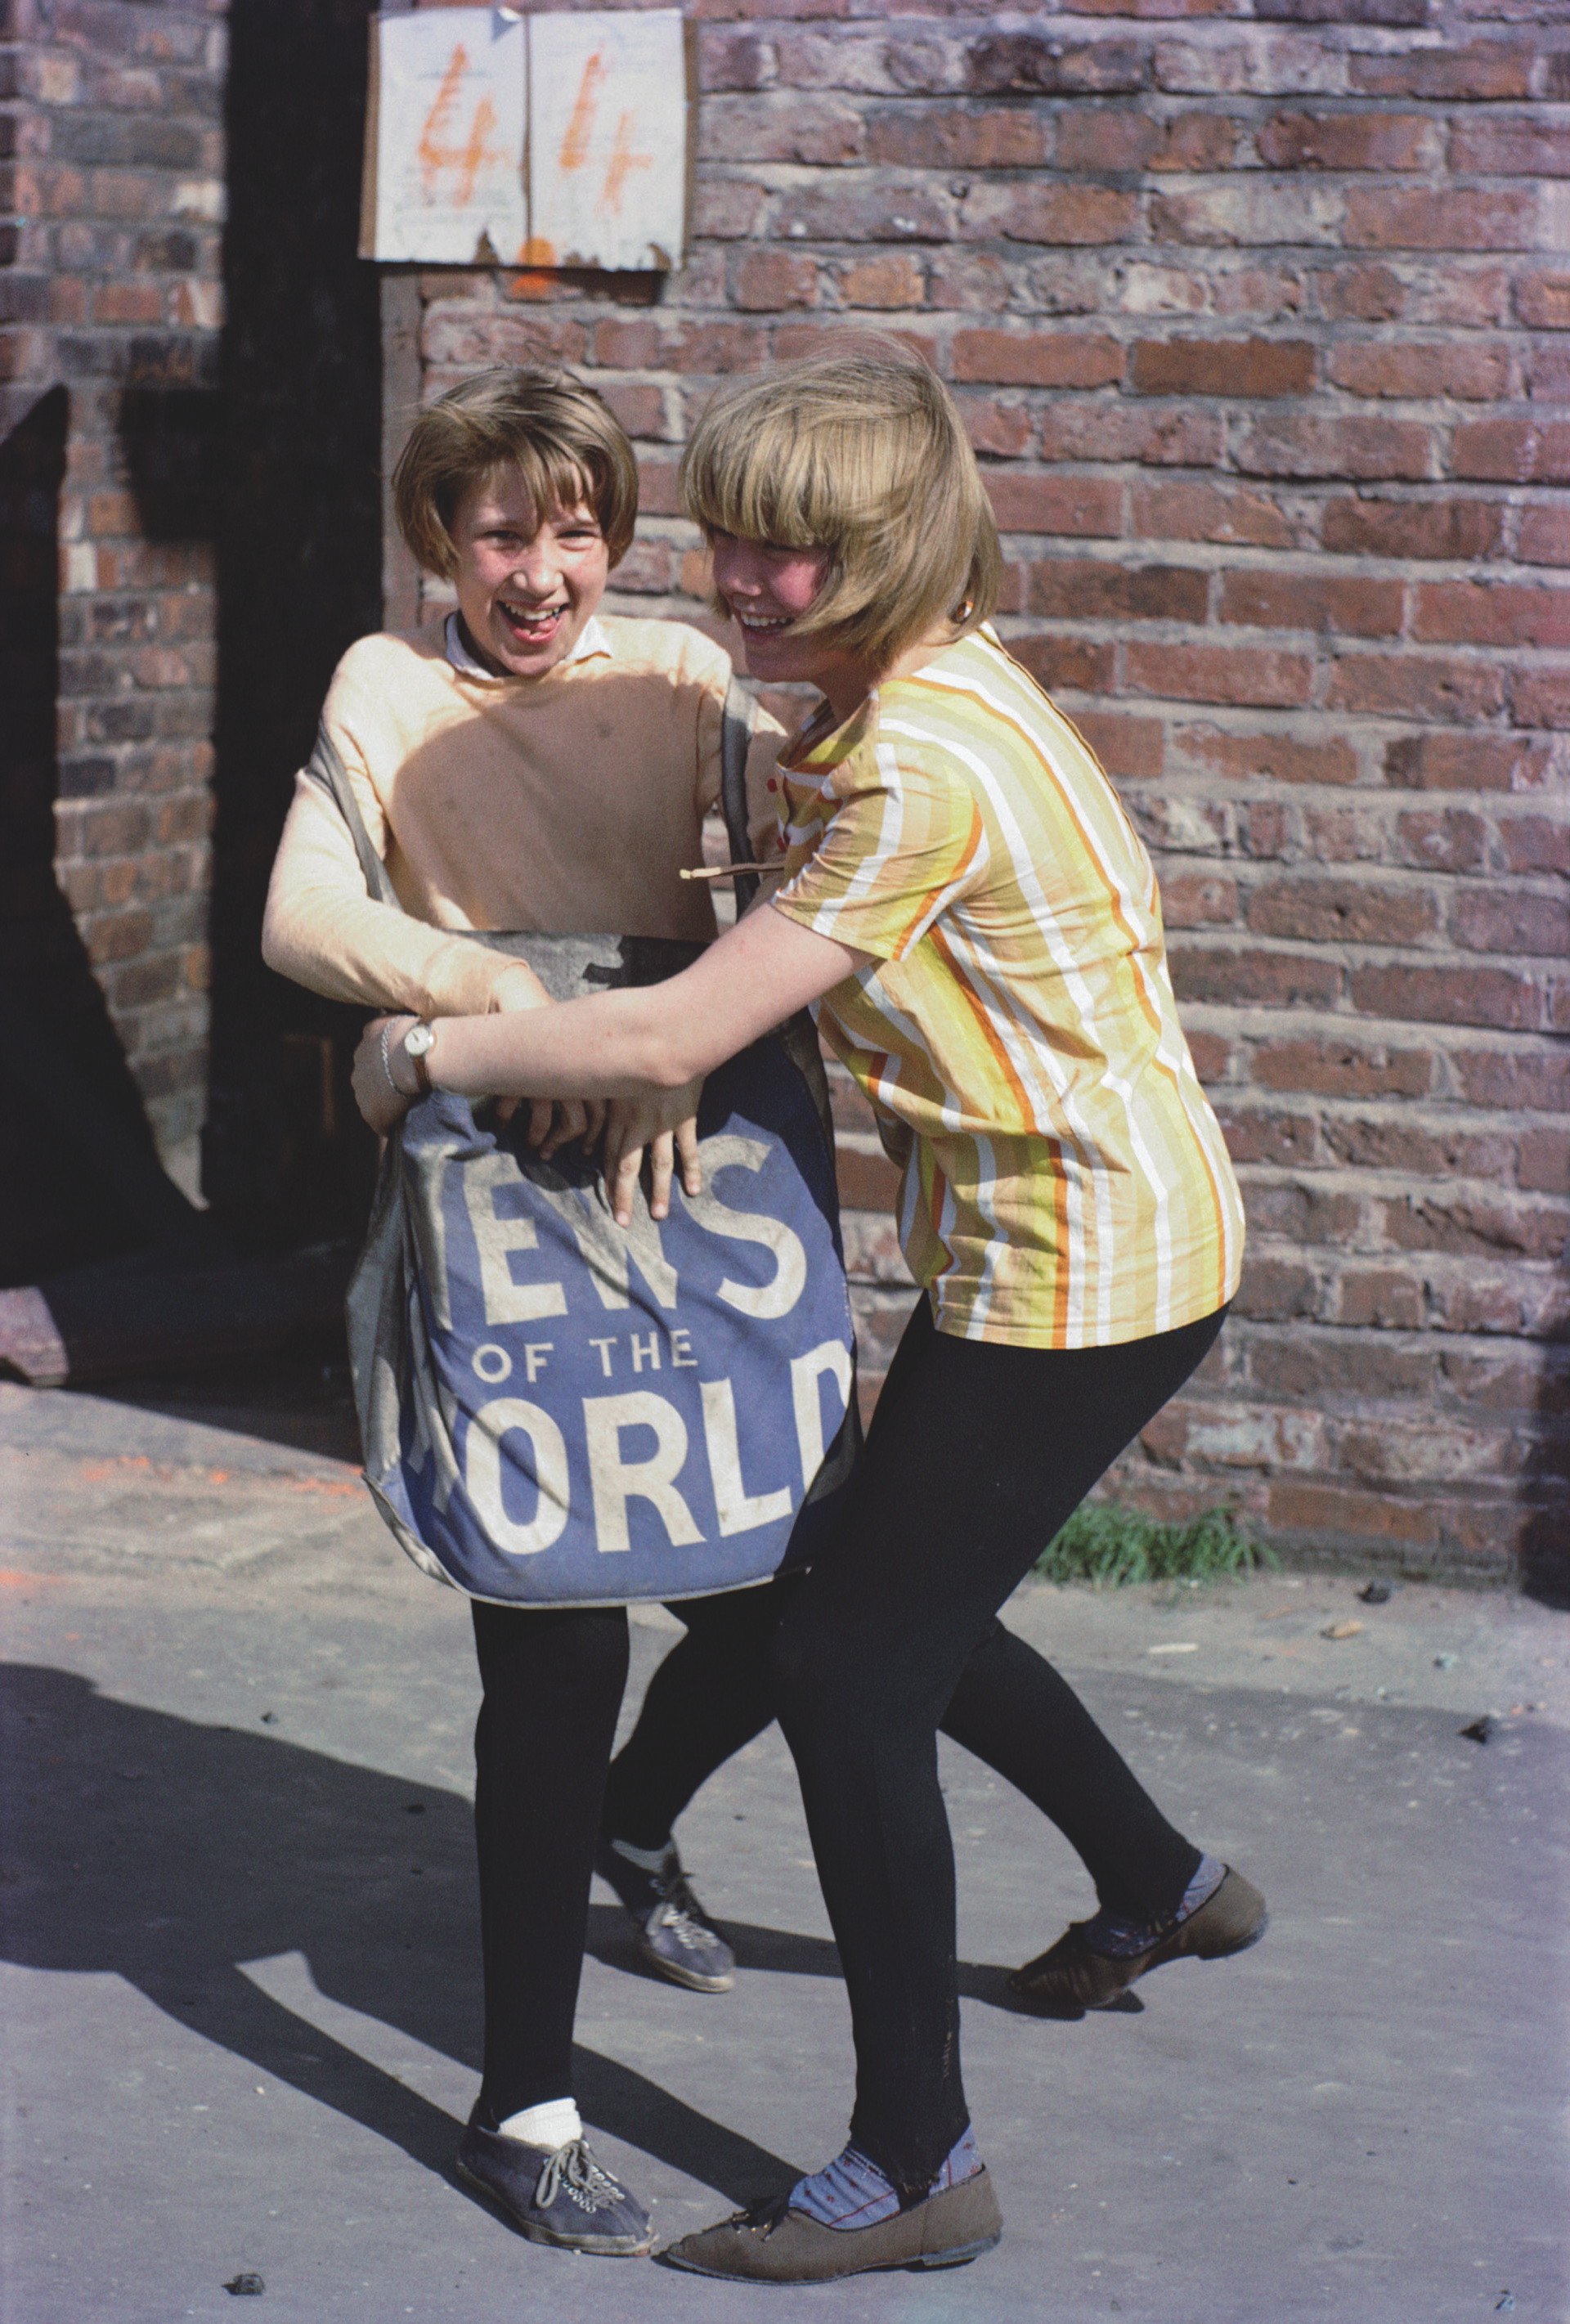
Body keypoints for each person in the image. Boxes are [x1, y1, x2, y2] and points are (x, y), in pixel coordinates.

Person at [351, 342, 1266, 2284]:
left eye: (793, 558)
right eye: (734, 545)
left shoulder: (921, 757)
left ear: (899, 543)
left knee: (855, 1668)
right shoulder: (910, 695)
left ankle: (909, 2158)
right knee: (862, 1580)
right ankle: (1161, 1880)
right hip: (1079, 1240)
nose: (744, 587)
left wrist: (424, 1050)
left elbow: (686, 1016)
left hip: (1078, 1269)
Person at [262, 364, 794, 2258]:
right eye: (499, 528)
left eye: (574, 527)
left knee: (793, 1575)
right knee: (553, 1643)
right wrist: (488, 996)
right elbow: (299, 912)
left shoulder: (680, 678)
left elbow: (798, 878)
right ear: (441, 540)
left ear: (617, 535)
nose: (539, 567)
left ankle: (637, 1822)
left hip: (701, 1153)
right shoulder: (384, 689)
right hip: (501, 1192)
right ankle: (525, 2101)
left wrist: (663, 1040)